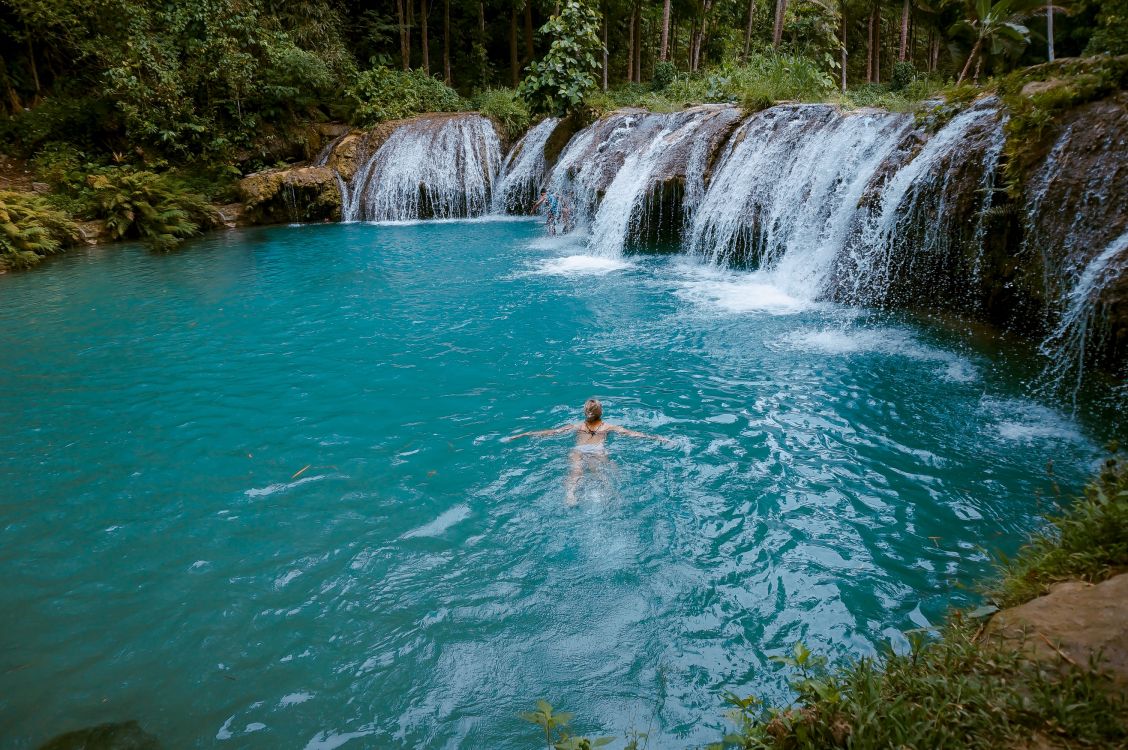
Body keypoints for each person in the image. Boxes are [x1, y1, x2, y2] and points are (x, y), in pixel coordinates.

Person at [504, 398, 671, 505]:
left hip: (578, 450)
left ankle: (570, 495)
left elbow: (552, 433)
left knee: (575, 473)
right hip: (598, 451)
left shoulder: (577, 426)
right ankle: (611, 496)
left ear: (586, 412)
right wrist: (658, 438)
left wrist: (525, 434)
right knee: (603, 473)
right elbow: (634, 434)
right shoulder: (608, 427)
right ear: (601, 412)